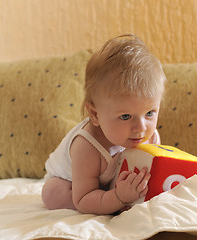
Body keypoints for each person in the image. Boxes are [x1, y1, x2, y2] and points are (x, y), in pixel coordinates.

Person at [41, 34, 166, 215]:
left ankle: (109, 196)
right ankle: (106, 199)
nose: (141, 127)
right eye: (125, 116)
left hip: (111, 181)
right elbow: (83, 199)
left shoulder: (150, 137)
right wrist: (118, 198)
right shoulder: (87, 147)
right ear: (95, 114)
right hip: (72, 183)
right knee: (52, 194)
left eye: (149, 113)